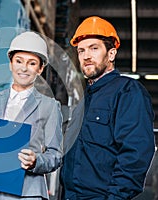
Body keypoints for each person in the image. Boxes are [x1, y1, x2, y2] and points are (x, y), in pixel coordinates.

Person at [60, 16, 155, 199]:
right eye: (81, 51)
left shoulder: (128, 91)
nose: (86, 56)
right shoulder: (85, 101)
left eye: (94, 48)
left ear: (111, 54)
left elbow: (135, 153)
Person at [0, 31, 63, 200]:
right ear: (11, 63)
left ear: (40, 69)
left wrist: (35, 161)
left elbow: (55, 155)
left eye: (32, 63)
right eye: (19, 61)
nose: (24, 68)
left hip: (26, 193)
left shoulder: (49, 107)